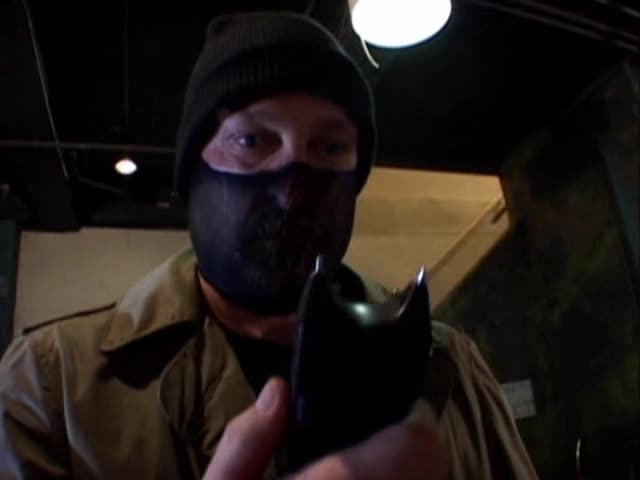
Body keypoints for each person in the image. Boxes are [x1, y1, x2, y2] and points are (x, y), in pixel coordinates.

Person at [0, 11, 538, 480]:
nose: (291, 189)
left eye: (330, 146)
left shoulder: (449, 368)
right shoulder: (51, 386)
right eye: (253, 140)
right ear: (192, 174)